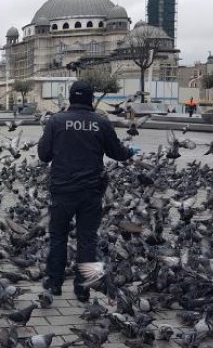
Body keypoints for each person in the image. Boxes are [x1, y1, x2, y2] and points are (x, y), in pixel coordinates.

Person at [37, 80, 139, 302]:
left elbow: (43, 155)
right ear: (91, 99)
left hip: (62, 189)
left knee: (57, 237)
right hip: (91, 191)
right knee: (88, 240)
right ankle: (83, 287)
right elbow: (117, 153)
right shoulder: (100, 122)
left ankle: (53, 283)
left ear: (71, 98)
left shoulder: (56, 121)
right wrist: (130, 150)